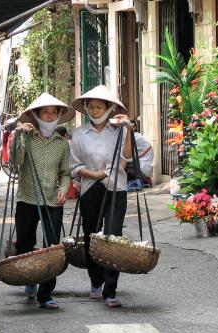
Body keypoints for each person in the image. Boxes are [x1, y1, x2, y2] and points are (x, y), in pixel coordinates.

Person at [69, 85, 133, 308]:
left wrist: (129, 129)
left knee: (112, 237)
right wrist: (94, 174)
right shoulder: (78, 134)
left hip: (116, 188)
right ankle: (95, 281)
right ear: (86, 109)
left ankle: (110, 290)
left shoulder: (120, 131)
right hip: (90, 189)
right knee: (92, 237)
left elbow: (127, 156)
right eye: (91, 107)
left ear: (109, 108)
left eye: (99, 107)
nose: (95, 111)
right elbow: (74, 166)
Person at [13, 92, 74, 310]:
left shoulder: (62, 144)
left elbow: (66, 172)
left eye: (53, 113)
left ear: (58, 116)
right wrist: (18, 135)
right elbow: (15, 162)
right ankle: (30, 277)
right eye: (45, 112)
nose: (49, 116)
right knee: (24, 244)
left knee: (52, 247)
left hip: (52, 201)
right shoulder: (26, 137)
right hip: (27, 198)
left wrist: (63, 188)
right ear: (36, 115)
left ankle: (46, 294)